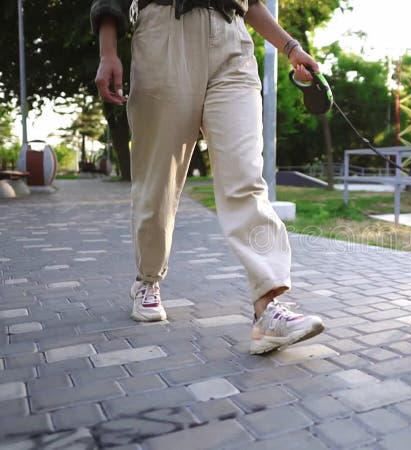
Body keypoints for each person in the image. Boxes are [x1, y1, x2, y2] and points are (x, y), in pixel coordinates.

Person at [90, 0, 324, 354]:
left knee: (246, 177)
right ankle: (147, 280)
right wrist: (108, 51)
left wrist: (291, 47)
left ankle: (267, 307)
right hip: (163, 35)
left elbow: (253, 3)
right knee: (159, 184)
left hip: (232, 41)